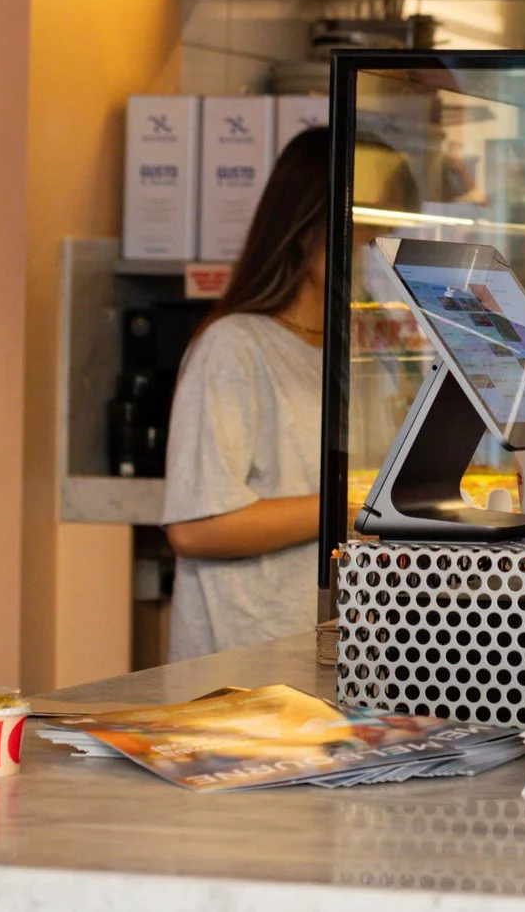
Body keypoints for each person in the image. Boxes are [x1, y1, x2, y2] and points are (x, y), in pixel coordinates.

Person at [161, 127, 332, 659]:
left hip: (329, 652)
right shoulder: (234, 345)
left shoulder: (350, 349)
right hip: (244, 661)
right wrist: (352, 506)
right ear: (306, 231)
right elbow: (195, 527)